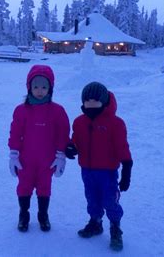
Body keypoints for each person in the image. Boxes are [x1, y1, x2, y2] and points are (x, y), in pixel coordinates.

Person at [65, 82, 133, 251]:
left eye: (95, 100)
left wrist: (126, 170)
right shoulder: (79, 122)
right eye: (87, 100)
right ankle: (95, 222)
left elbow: (122, 147)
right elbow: (76, 140)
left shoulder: (116, 123)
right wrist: (71, 147)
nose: (91, 104)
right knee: (92, 198)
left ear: (103, 101)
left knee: (109, 200)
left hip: (107, 172)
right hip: (87, 170)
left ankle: (115, 227)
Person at [8, 65, 70, 232]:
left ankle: (43, 215)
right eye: (36, 86)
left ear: (50, 88)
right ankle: (23, 214)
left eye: (44, 86)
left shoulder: (57, 111)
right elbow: (15, 133)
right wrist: (13, 154)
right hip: (25, 160)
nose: (40, 90)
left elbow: (63, 133)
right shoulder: (21, 111)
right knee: (24, 186)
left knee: (44, 187)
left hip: (47, 160)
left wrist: (61, 155)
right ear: (29, 87)